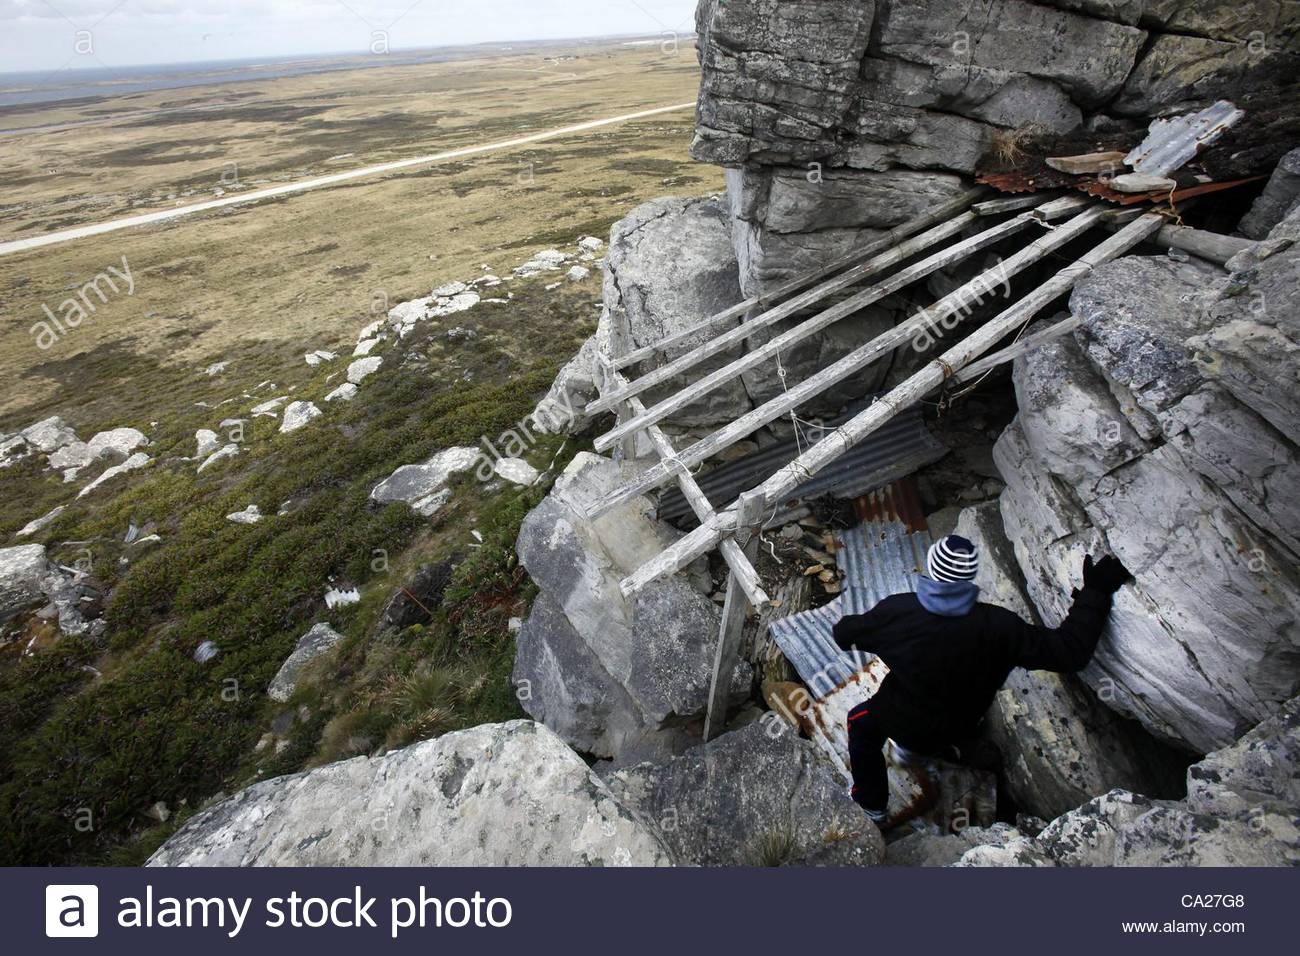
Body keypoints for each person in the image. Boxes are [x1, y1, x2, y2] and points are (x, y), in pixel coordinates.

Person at [831, 533, 1132, 827]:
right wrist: (1096, 591)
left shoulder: (897, 612)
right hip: (960, 723)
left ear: (931, 570)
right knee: (943, 722)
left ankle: (872, 807)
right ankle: (927, 752)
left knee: (859, 724)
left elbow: (844, 634)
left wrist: (862, 632)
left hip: (901, 718)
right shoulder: (1000, 627)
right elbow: (1070, 653)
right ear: (969, 578)